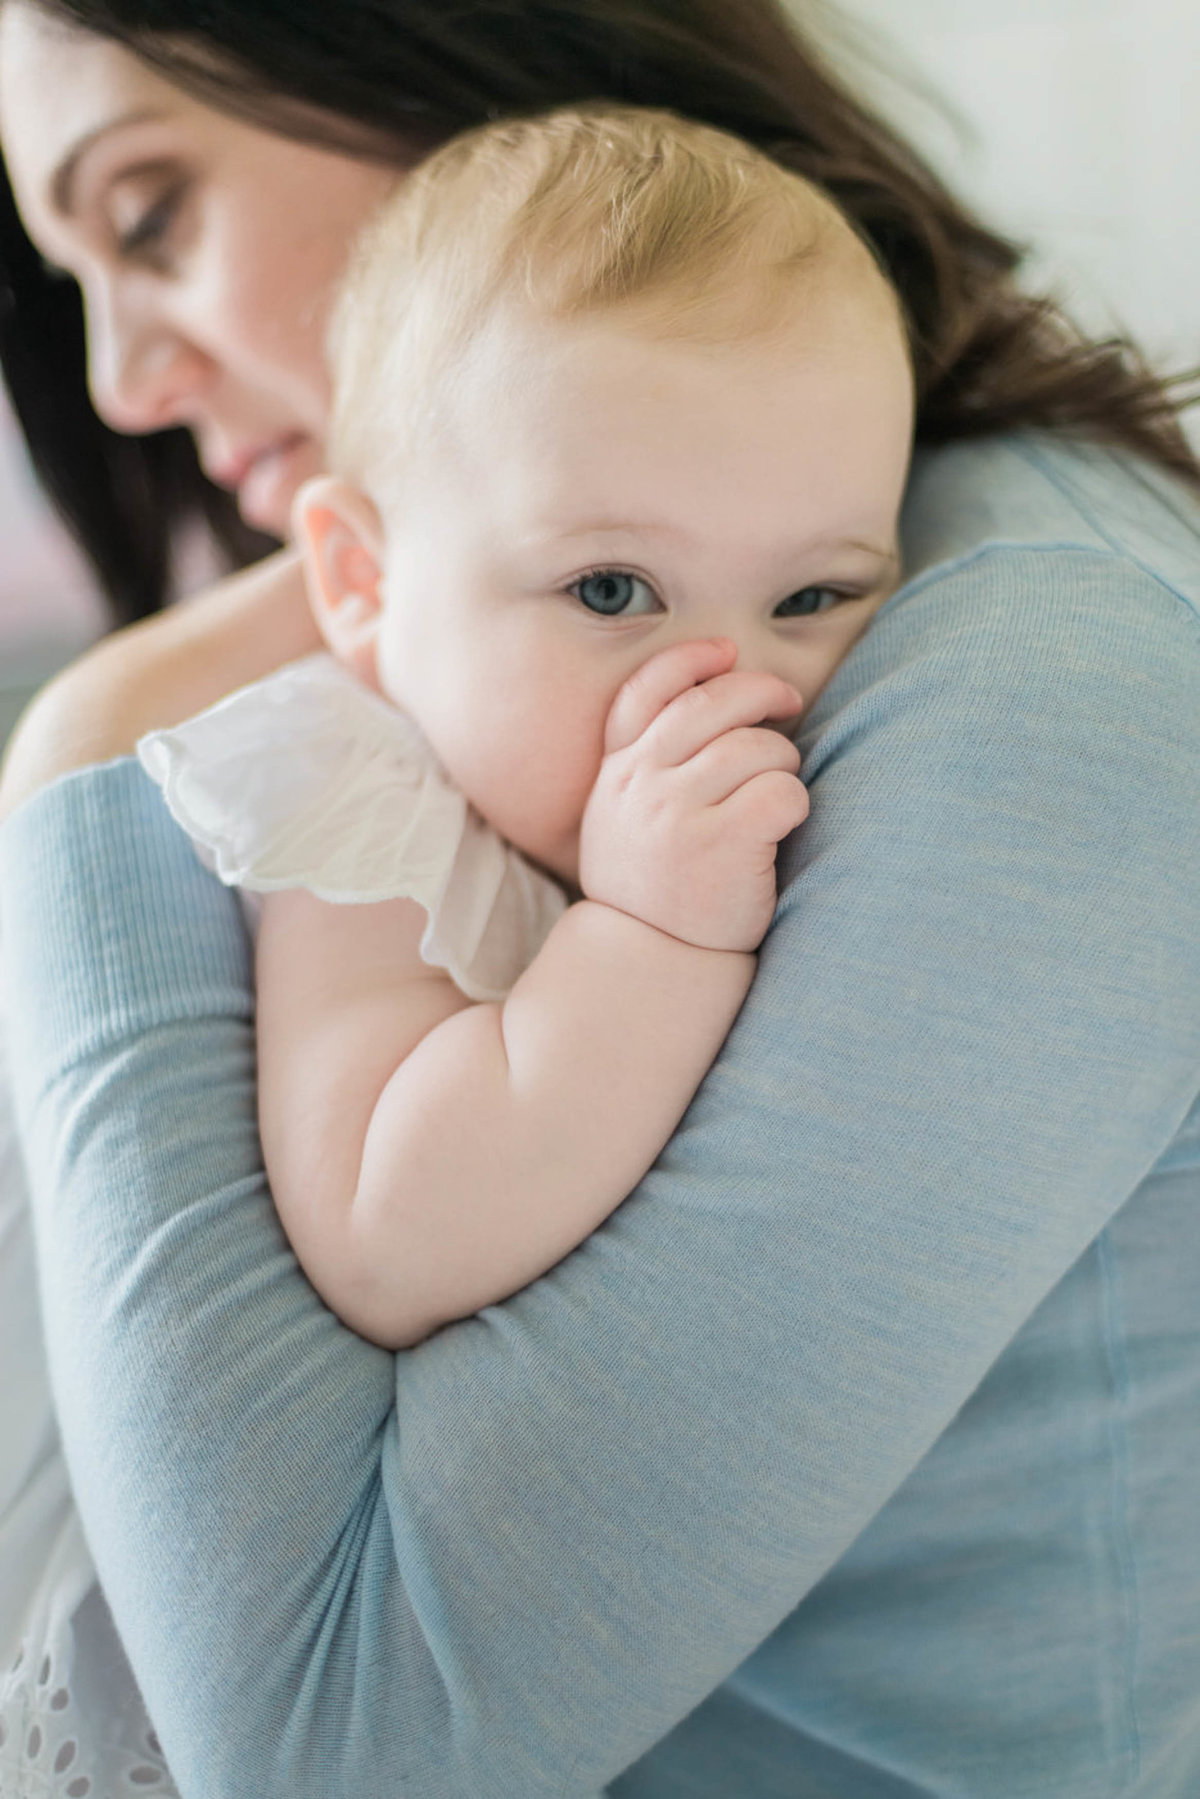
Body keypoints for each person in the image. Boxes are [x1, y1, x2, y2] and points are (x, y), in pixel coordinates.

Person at [0, 0, 1197, 1794]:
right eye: (612, 585)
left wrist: (94, 746)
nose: (120, 383)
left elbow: (329, 1734)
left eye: (155, 208)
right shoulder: (395, 767)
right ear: (363, 569)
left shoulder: (1038, 675)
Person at [136, 104, 908, 1352]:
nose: (729, 690)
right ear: (363, 585)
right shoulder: (378, 824)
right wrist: (651, 936)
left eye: (811, 597)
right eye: (610, 591)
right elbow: (388, 1236)